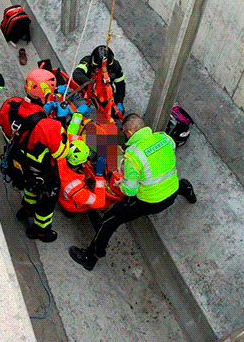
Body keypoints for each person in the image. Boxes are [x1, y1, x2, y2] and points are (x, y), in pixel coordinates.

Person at [69, 113, 196, 270]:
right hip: (173, 188)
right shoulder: (164, 138)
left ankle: (91, 256)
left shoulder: (132, 156)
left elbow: (130, 191)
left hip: (151, 202)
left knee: (110, 219)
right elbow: (166, 153)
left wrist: (120, 183)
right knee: (172, 181)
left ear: (128, 133)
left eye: (123, 132)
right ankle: (188, 190)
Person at [0, 68, 69, 242]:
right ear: (45, 92)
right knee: (46, 202)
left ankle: (27, 209)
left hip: (17, 162)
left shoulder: (11, 105)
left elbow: (2, 122)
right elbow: (61, 152)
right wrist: (61, 122)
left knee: (29, 187)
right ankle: (41, 231)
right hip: (42, 172)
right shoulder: (48, 127)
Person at [58, 140, 125, 214]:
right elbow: (99, 202)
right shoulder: (74, 187)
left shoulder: (60, 159)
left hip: (62, 191)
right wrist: (99, 175)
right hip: (70, 205)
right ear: (83, 164)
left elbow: (72, 139)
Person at [72, 45, 125, 115]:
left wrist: (119, 102)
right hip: (87, 92)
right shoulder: (87, 61)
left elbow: (120, 85)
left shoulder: (115, 66)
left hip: (105, 94)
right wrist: (91, 83)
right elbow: (77, 74)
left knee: (114, 114)